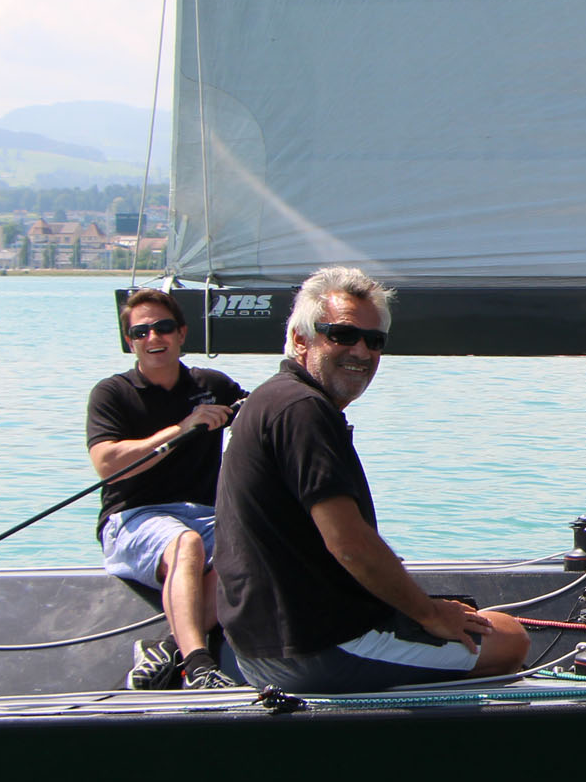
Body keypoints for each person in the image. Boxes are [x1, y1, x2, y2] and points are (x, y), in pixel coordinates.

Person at [212, 266, 530, 692]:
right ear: (301, 339)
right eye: (342, 335)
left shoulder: (271, 400)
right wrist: (430, 614)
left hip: (261, 648)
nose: (361, 351)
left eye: (374, 340)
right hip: (319, 649)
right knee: (508, 637)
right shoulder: (304, 411)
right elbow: (349, 545)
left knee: (465, 620)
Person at [86, 288, 246, 690]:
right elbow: (108, 465)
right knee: (185, 543)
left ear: (181, 333)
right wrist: (183, 428)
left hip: (205, 517)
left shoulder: (212, 385)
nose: (153, 338)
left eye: (163, 327)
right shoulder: (111, 394)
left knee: (259, 543)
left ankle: (166, 647)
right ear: (130, 342)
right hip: (133, 518)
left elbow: (261, 417)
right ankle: (198, 666)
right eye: (141, 332)